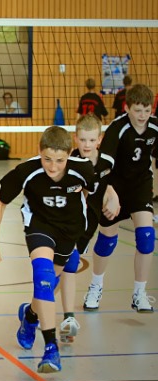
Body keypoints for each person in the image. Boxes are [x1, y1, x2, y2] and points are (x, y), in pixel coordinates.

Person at [0, 126, 96, 373]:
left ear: (69, 155)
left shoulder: (83, 169)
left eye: (59, 161)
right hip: (39, 227)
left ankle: (30, 316)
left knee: (48, 285)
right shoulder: (27, 171)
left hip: (68, 233)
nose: (53, 167)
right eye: (47, 159)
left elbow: (94, 190)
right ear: (39, 151)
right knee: (43, 277)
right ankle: (51, 348)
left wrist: (111, 197)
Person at [82, 84, 158, 313]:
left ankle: (139, 293)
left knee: (146, 238)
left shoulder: (154, 127)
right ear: (127, 108)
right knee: (107, 241)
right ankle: (95, 286)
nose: (142, 116)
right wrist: (110, 193)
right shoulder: (118, 128)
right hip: (114, 187)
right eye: (137, 111)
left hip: (140, 187)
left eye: (147, 111)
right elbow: (103, 166)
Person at [58, 114, 120, 344]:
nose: (86, 145)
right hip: (68, 223)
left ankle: (34, 311)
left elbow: (108, 181)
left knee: (63, 271)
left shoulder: (106, 162)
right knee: (67, 267)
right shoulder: (69, 162)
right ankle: (64, 319)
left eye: (91, 140)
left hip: (88, 224)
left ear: (99, 140)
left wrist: (113, 195)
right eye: (82, 139)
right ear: (75, 138)